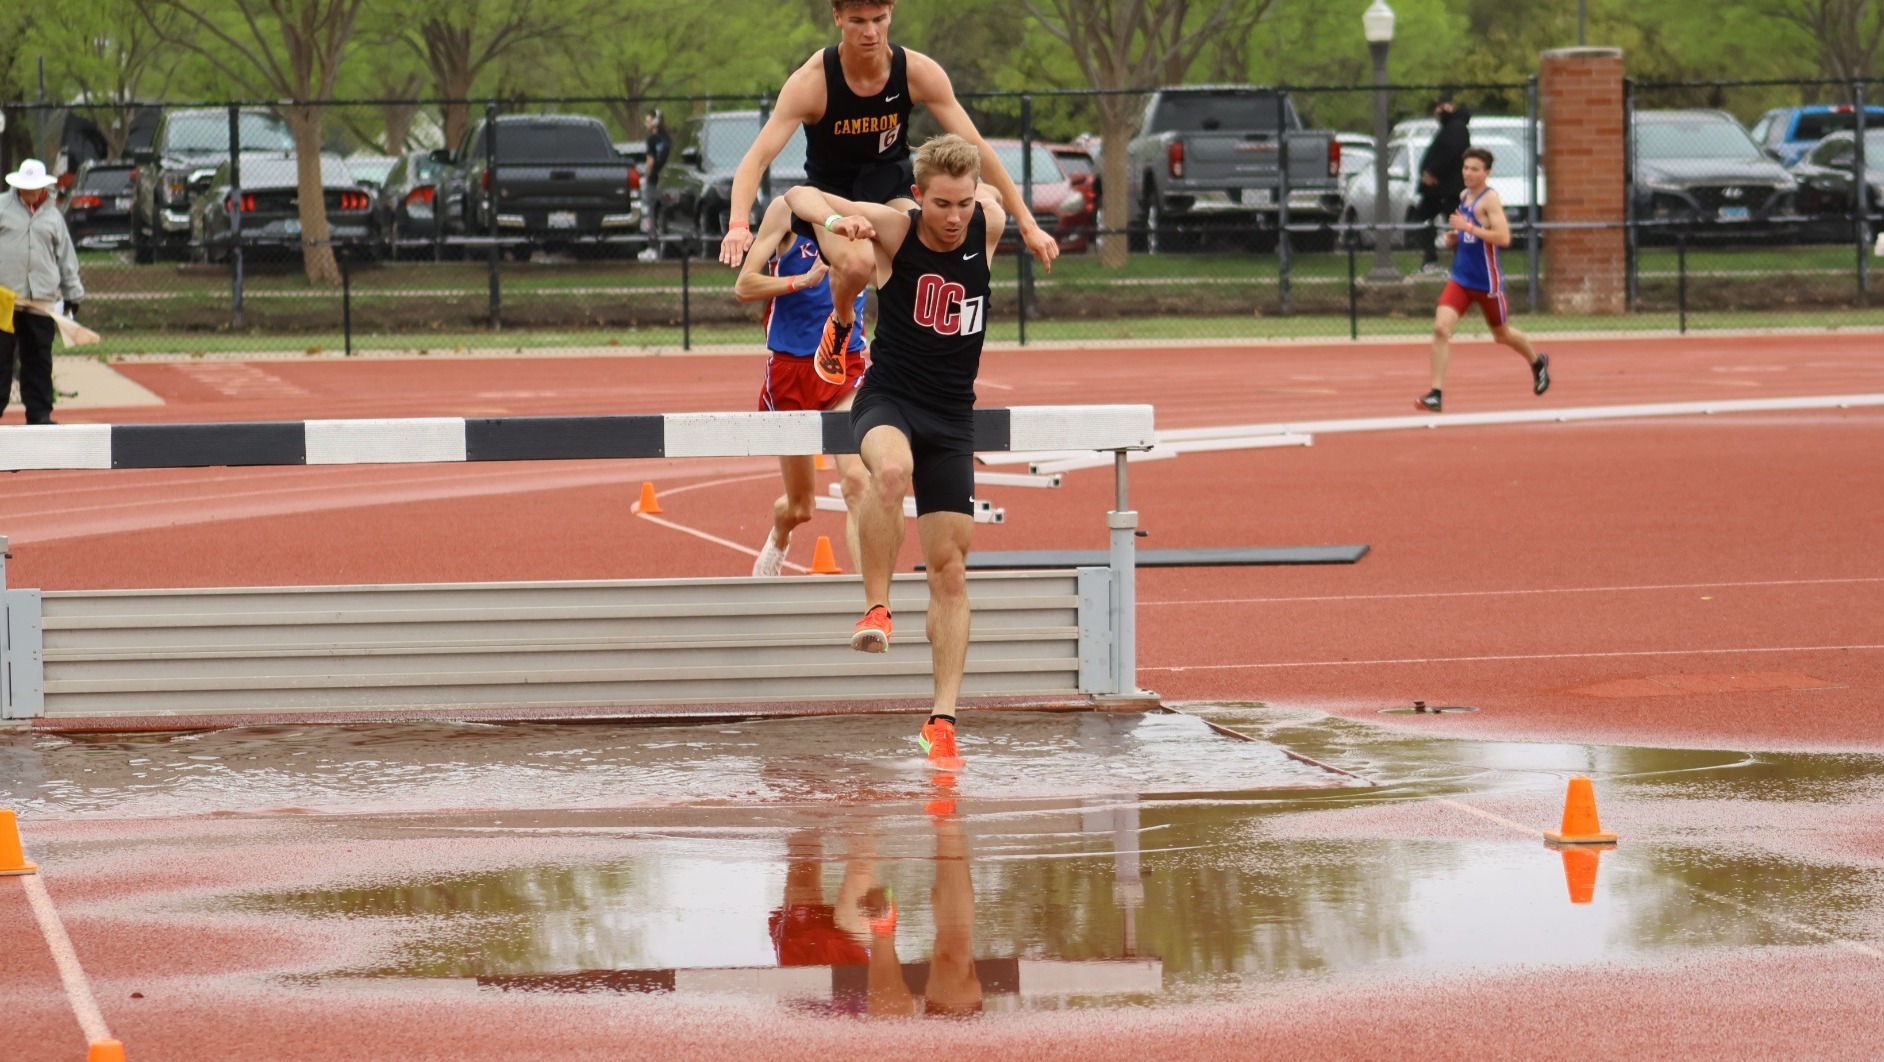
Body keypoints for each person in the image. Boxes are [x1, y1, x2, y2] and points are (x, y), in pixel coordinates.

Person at [782, 134, 1000, 770]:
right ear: (917, 197)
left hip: (952, 418)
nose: (954, 217)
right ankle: (875, 607)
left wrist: (1031, 225)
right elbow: (798, 194)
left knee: (950, 573)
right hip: (889, 400)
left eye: (963, 204)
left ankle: (942, 721)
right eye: (941, 204)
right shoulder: (895, 229)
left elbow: (997, 193)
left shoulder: (988, 223)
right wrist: (835, 222)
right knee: (890, 473)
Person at [718, 0, 1057, 389]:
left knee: (938, 243)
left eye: (879, 20)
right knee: (858, 264)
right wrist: (739, 223)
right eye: (858, 21)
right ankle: (841, 322)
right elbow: (756, 159)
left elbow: (976, 146)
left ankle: (920, 344)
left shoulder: (917, 72)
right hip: (832, 194)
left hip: (891, 186)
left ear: (891, 13)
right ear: (837, 18)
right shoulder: (811, 82)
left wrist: (1027, 224)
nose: (870, 32)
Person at [734, 195, 870, 576]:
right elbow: (744, 286)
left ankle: (874, 599)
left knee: (857, 483)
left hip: (844, 366)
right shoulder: (786, 210)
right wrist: (802, 281)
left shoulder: (868, 211)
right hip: (790, 373)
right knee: (800, 507)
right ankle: (780, 535)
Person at [1418, 147, 1549, 413]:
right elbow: (1471, 233)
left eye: (1474, 169)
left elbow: (1503, 237)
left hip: (1486, 282)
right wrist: (1457, 236)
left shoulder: (1490, 200)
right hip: (1461, 279)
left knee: (1501, 334)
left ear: (1487, 173)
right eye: (1466, 168)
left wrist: (1468, 228)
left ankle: (1537, 362)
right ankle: (1436, 393)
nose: (1468, 173)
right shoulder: (1464, 195)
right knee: (1441, 328)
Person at [0, 159, 84, 426]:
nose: (29, 192)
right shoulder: (2, 208)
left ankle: (39, 414)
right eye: (25, 187)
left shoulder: (53, 216)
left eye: (34, 187)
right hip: (4, 301)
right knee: (0, 357)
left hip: (41, 302)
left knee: (38, 357)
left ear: (43, 188)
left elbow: (66, 258)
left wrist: (72, 294)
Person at [1417, 99, 1472, 272]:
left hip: (1447, 188)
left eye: (1441, 107)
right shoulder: (1450, 127)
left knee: (1456, 222)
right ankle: (1431, 259)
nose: (1437, 111)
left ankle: (1460, 262)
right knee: (1423, 219)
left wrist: (1433, 171)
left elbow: (1450, 152)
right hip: (1439, 190)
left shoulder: (1456, 128)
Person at [638, 109, 674, 261]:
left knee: (651, 212)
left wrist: (646, 177)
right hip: (667, 181)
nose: (646, 124)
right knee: (665, 212)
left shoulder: (652, 140)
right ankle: (666, 247)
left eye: (648, 120)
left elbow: (650, 162)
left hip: (654, 182)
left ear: (655, 121)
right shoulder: (669, 139)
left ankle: (652, 247)